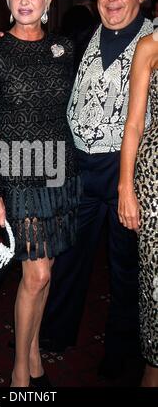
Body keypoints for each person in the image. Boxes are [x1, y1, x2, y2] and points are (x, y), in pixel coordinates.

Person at [41, 0, 152, 379]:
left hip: (129, 173)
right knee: (69, 256)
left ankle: (121, 357)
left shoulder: (154, 40)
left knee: (126, 271)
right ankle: (55, 333)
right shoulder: (80, 38)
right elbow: (38, 61)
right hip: (79, 168)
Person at [0, 0, 81, 388]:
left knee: (46, 273)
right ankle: (20, 369)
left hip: (60, 173)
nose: (24, 0)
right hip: (18, 176)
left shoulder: (64, 48)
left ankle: (33, 352)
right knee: (34, 274)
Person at [118, 33, 158, 387]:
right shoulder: (151, 45)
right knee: (155, 284)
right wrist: (125, 187)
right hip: (155, 180)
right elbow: (134, 123)